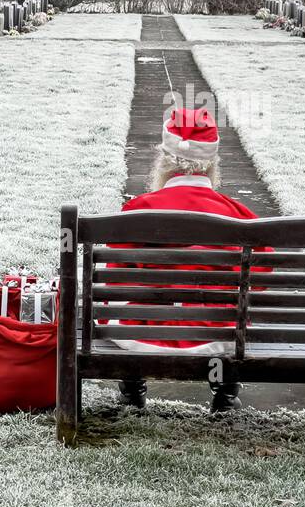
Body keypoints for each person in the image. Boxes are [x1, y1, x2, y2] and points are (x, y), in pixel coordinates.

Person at [107, 106, 256, 412]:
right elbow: (262, 280)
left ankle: (132, 390)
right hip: (219, 337)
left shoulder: (138, 211)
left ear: (165, 161)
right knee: (234, 306)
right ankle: (225, 394)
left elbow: (114, 280)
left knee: (125, 301)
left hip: (144, 336)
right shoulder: (239, 216)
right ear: (211, 164)